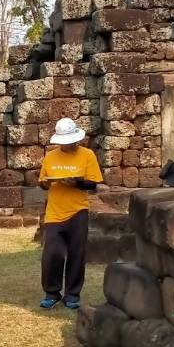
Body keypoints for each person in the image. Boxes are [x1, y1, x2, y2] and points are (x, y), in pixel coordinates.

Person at [38, 117, 102, 310]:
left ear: (76, 138)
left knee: (77, 254)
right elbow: (42, 183)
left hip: (78, 210)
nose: (67, 145)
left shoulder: (87, 155)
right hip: (54, 213)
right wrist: (46, 183)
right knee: (52, 254)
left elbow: (93, 184)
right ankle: (51, 292)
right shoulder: (50, 157)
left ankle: (72, 294)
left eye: (70, 142)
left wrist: (75, 183)